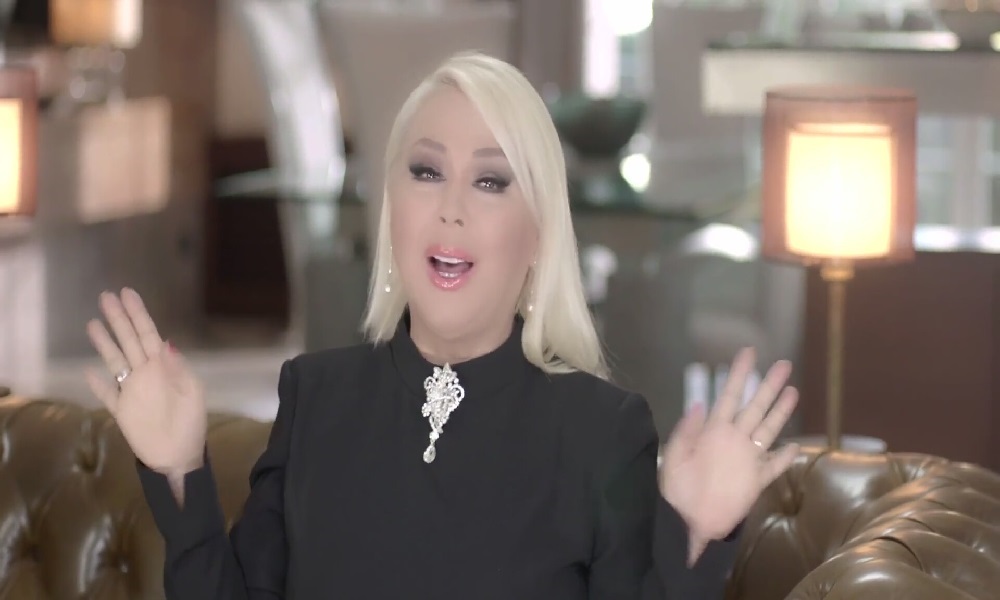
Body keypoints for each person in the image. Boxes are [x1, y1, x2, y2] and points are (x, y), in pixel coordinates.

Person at [85, 52, 799, 599]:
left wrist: (694, 540)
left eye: (490, 181)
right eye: (426, 172)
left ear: (539, 235)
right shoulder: (314, 397)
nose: (450, 207)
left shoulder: (603, 431)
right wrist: (178, 472)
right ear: (392, 210)